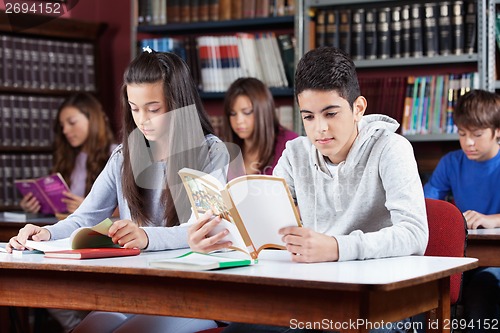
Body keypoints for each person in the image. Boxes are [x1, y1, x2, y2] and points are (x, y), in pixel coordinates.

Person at [188, 47, 428, 333]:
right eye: (309, 117)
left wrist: (336, 247)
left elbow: (415, 234)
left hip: (384, 302)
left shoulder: (391, 148)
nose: (320, 130)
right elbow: (261, 227)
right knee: (242, 329)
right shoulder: (295, 153)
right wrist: (213, 239)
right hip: (315, 296)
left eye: (330, 113)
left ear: (358, 109)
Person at [7, 49, 229, 333]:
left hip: (190, 294)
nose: (143, 120)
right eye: (134, 109)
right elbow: (83, 219)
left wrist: (144, 237)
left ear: (178, 104)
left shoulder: (211, 152)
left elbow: (201, 229)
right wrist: (45, 233)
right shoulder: (123, 157)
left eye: (154, 108)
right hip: (134, 291)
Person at [424, 89, 500, 332]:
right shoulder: (451, 162)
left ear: (497, 132)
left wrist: (492, 219)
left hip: (493, 264)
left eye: (477, 135)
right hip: (459, 259)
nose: (468, 142)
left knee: (482, 295)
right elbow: (425, 204)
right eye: (462, 133)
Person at [19, 92, 116, 214]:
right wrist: (35, 206)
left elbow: (131, 209)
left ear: (92, 120)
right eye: (62, 126)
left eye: (72, 122)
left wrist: (89, 207)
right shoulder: (68, 158)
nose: (65, 131)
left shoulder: (116, 155)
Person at [223, 77, 298, 176]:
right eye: (232, 113)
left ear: (263, 111)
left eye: (247, 112)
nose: (239, 121)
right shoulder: (227, 150)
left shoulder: (290, 144)